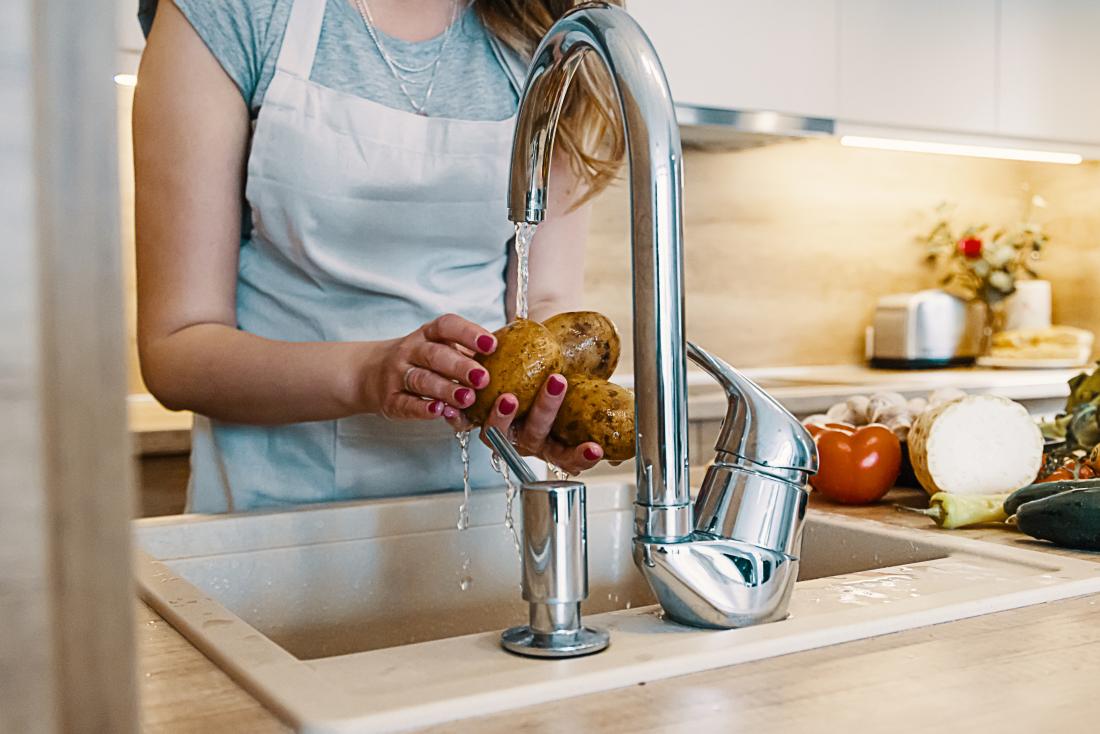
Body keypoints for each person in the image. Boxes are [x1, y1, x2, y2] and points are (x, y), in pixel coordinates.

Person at [132, 0, 625, 512]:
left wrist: (547, 407)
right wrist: (372, 374)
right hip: (275, 516)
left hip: (488, 510)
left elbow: (542, 303)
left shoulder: (548, 29)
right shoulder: (237, 11)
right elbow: (176, 349)